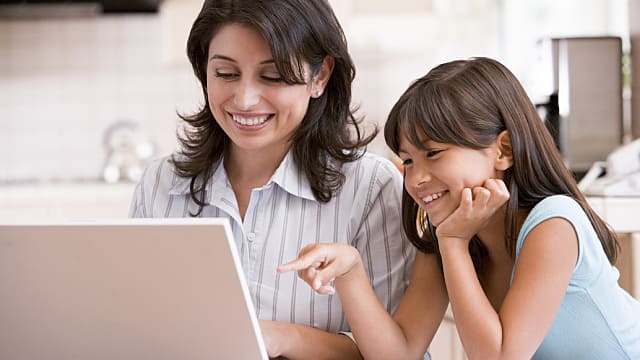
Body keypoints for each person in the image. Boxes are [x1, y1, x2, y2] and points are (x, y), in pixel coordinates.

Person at [278, 57, 640, 359]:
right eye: (407, 161)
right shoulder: (450, 232)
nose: (416, 178)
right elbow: (401, 351)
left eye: (433, 154)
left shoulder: (553, 223)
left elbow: (499, 358)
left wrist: (453, 243)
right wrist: (351, 272)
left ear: (503, 151)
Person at [129, 0, 414, 359]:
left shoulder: (372, 189)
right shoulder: (160, 184)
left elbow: (392, 353)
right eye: (226, 74)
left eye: (273, 76)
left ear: (320, 77)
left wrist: (281, 338)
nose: (245, 100)